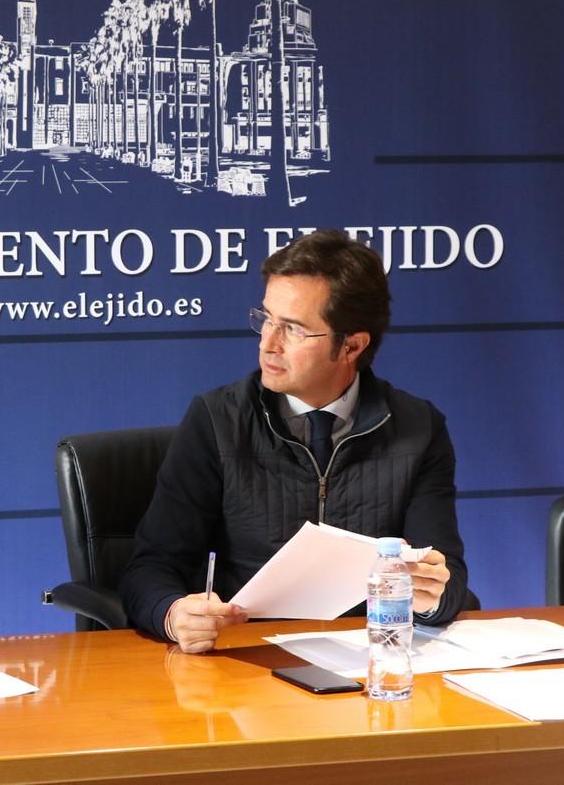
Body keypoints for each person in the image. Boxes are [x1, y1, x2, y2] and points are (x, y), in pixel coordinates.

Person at [120, 229, 468, 654]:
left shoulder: (419, 428)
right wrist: (173, 613)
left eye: (294, 329)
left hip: (369, 659)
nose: (268, 343)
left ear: (352, 345)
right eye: (266, 318)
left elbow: (446, 576)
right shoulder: (217, 420)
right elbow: (149, 567)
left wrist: (432, 596)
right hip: (246, 661)